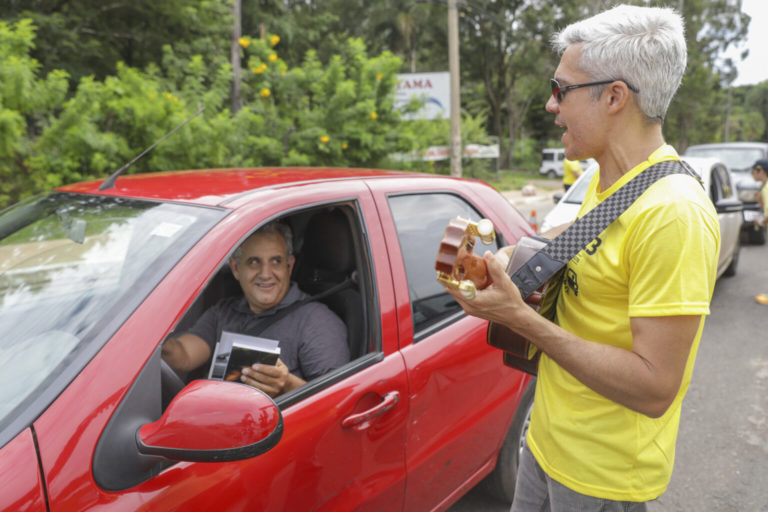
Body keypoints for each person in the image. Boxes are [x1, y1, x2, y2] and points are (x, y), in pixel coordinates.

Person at [446, 5, 720, 510]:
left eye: (561, 89)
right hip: (546, 444)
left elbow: (656, 386)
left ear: (615, 96)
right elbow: (567, 237)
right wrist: (504, 259)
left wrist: (519, 320)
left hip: (602, 478)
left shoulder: (673, 214)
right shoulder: (608, 175)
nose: (552, 106)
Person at [162, 220, 350, 398]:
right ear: (235, 269)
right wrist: (152, 340)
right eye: (254, 262)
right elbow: (184, 356)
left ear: (289, 266)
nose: (266, 274)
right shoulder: (223, 311)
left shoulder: (317, 322)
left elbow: (337, 404)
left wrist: (287, 386)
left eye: (276, 261)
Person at [751, 159, 768, 305]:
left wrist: (760, 222)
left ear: (760, 171)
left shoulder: (766, 188)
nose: (752, 176)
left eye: (753, 172)